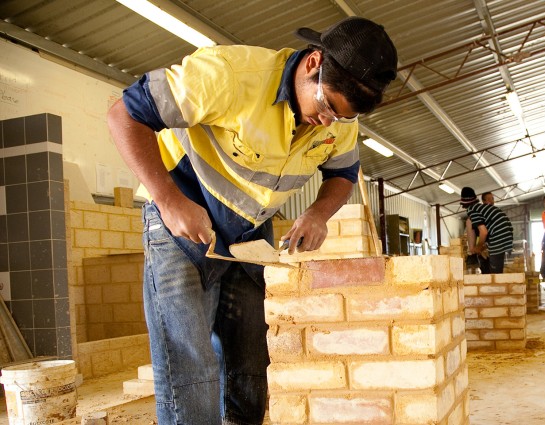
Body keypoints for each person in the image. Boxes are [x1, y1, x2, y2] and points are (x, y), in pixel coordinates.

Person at [107, 17, 397, 425]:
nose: (329, 122)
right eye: (328, 106)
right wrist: (170, 202)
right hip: (182, 220)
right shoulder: (229, 75)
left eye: (342, 118)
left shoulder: (339, 121)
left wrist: (317, 214)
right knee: (191, 364)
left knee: (249, 362)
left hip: (249, 237)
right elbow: (124, 115)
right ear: (314, 62)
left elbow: (343, 175)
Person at [461, 187, 513, 273]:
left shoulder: (472, 210)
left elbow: (484, 232)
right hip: (505, 231)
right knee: (495, 269)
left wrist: (478, 247)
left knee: (495, 274)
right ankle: (473, 253)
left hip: (499, 233)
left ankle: (496, 284)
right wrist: (482, 247)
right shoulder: (481, 208)